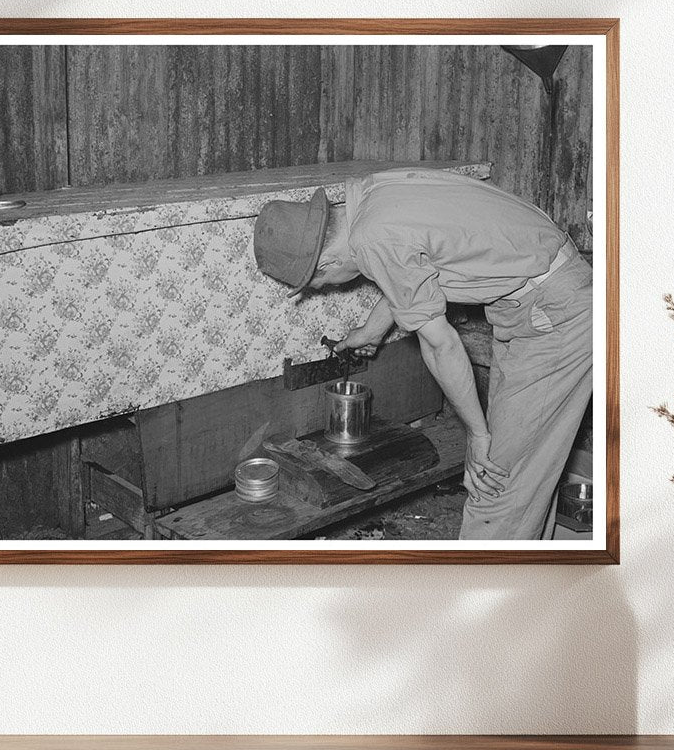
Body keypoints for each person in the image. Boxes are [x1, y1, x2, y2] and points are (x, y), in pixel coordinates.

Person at [252, 168, 592, 540]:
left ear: (326, 264)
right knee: (525, 469)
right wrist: (373, 329)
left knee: (495, 478)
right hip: (540, 298)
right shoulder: (369, 195)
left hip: (553, 313)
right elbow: (413, 266)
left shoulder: (373, 239)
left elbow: (440, 343)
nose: (322, 288)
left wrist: (475, 435)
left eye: (316, 283)